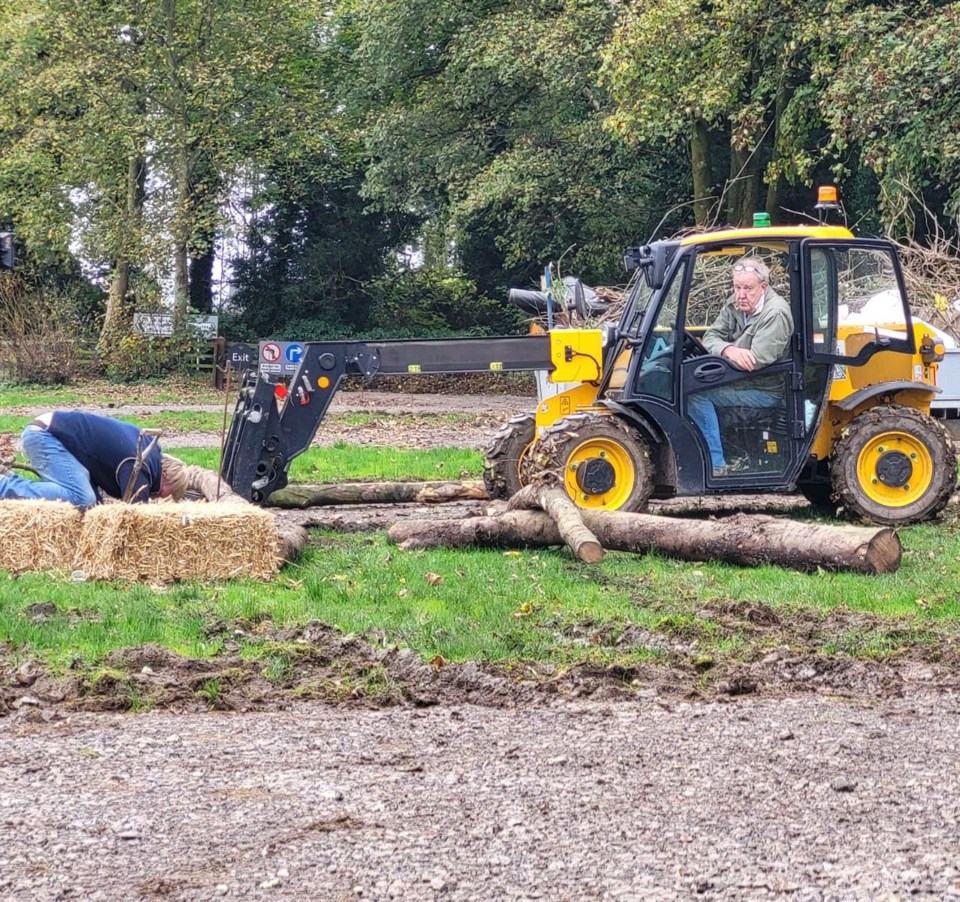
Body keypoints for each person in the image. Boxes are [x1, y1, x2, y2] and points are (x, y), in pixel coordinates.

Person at [688, 257, 794, 475]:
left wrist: (724, 348)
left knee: (696, 396)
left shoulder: (776, 314)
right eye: (737, 287)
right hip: (740, 380)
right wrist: (729, 350)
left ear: (763, 287)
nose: (741, 294)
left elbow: (755, 360)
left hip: (764, 388)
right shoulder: (735, 304)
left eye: (748, 288)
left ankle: (715, 466)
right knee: (691, 383)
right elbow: (711, 336)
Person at [0, 411, 188, 509]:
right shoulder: (140, 466)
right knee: (82, 499)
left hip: (51, 432)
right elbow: (133, 518)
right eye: (167, 492)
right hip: (45, 436)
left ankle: (8, 478)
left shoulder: (148, 451)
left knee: (93, 506)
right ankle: (4, 486)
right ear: (164, 474)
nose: (161, 497)